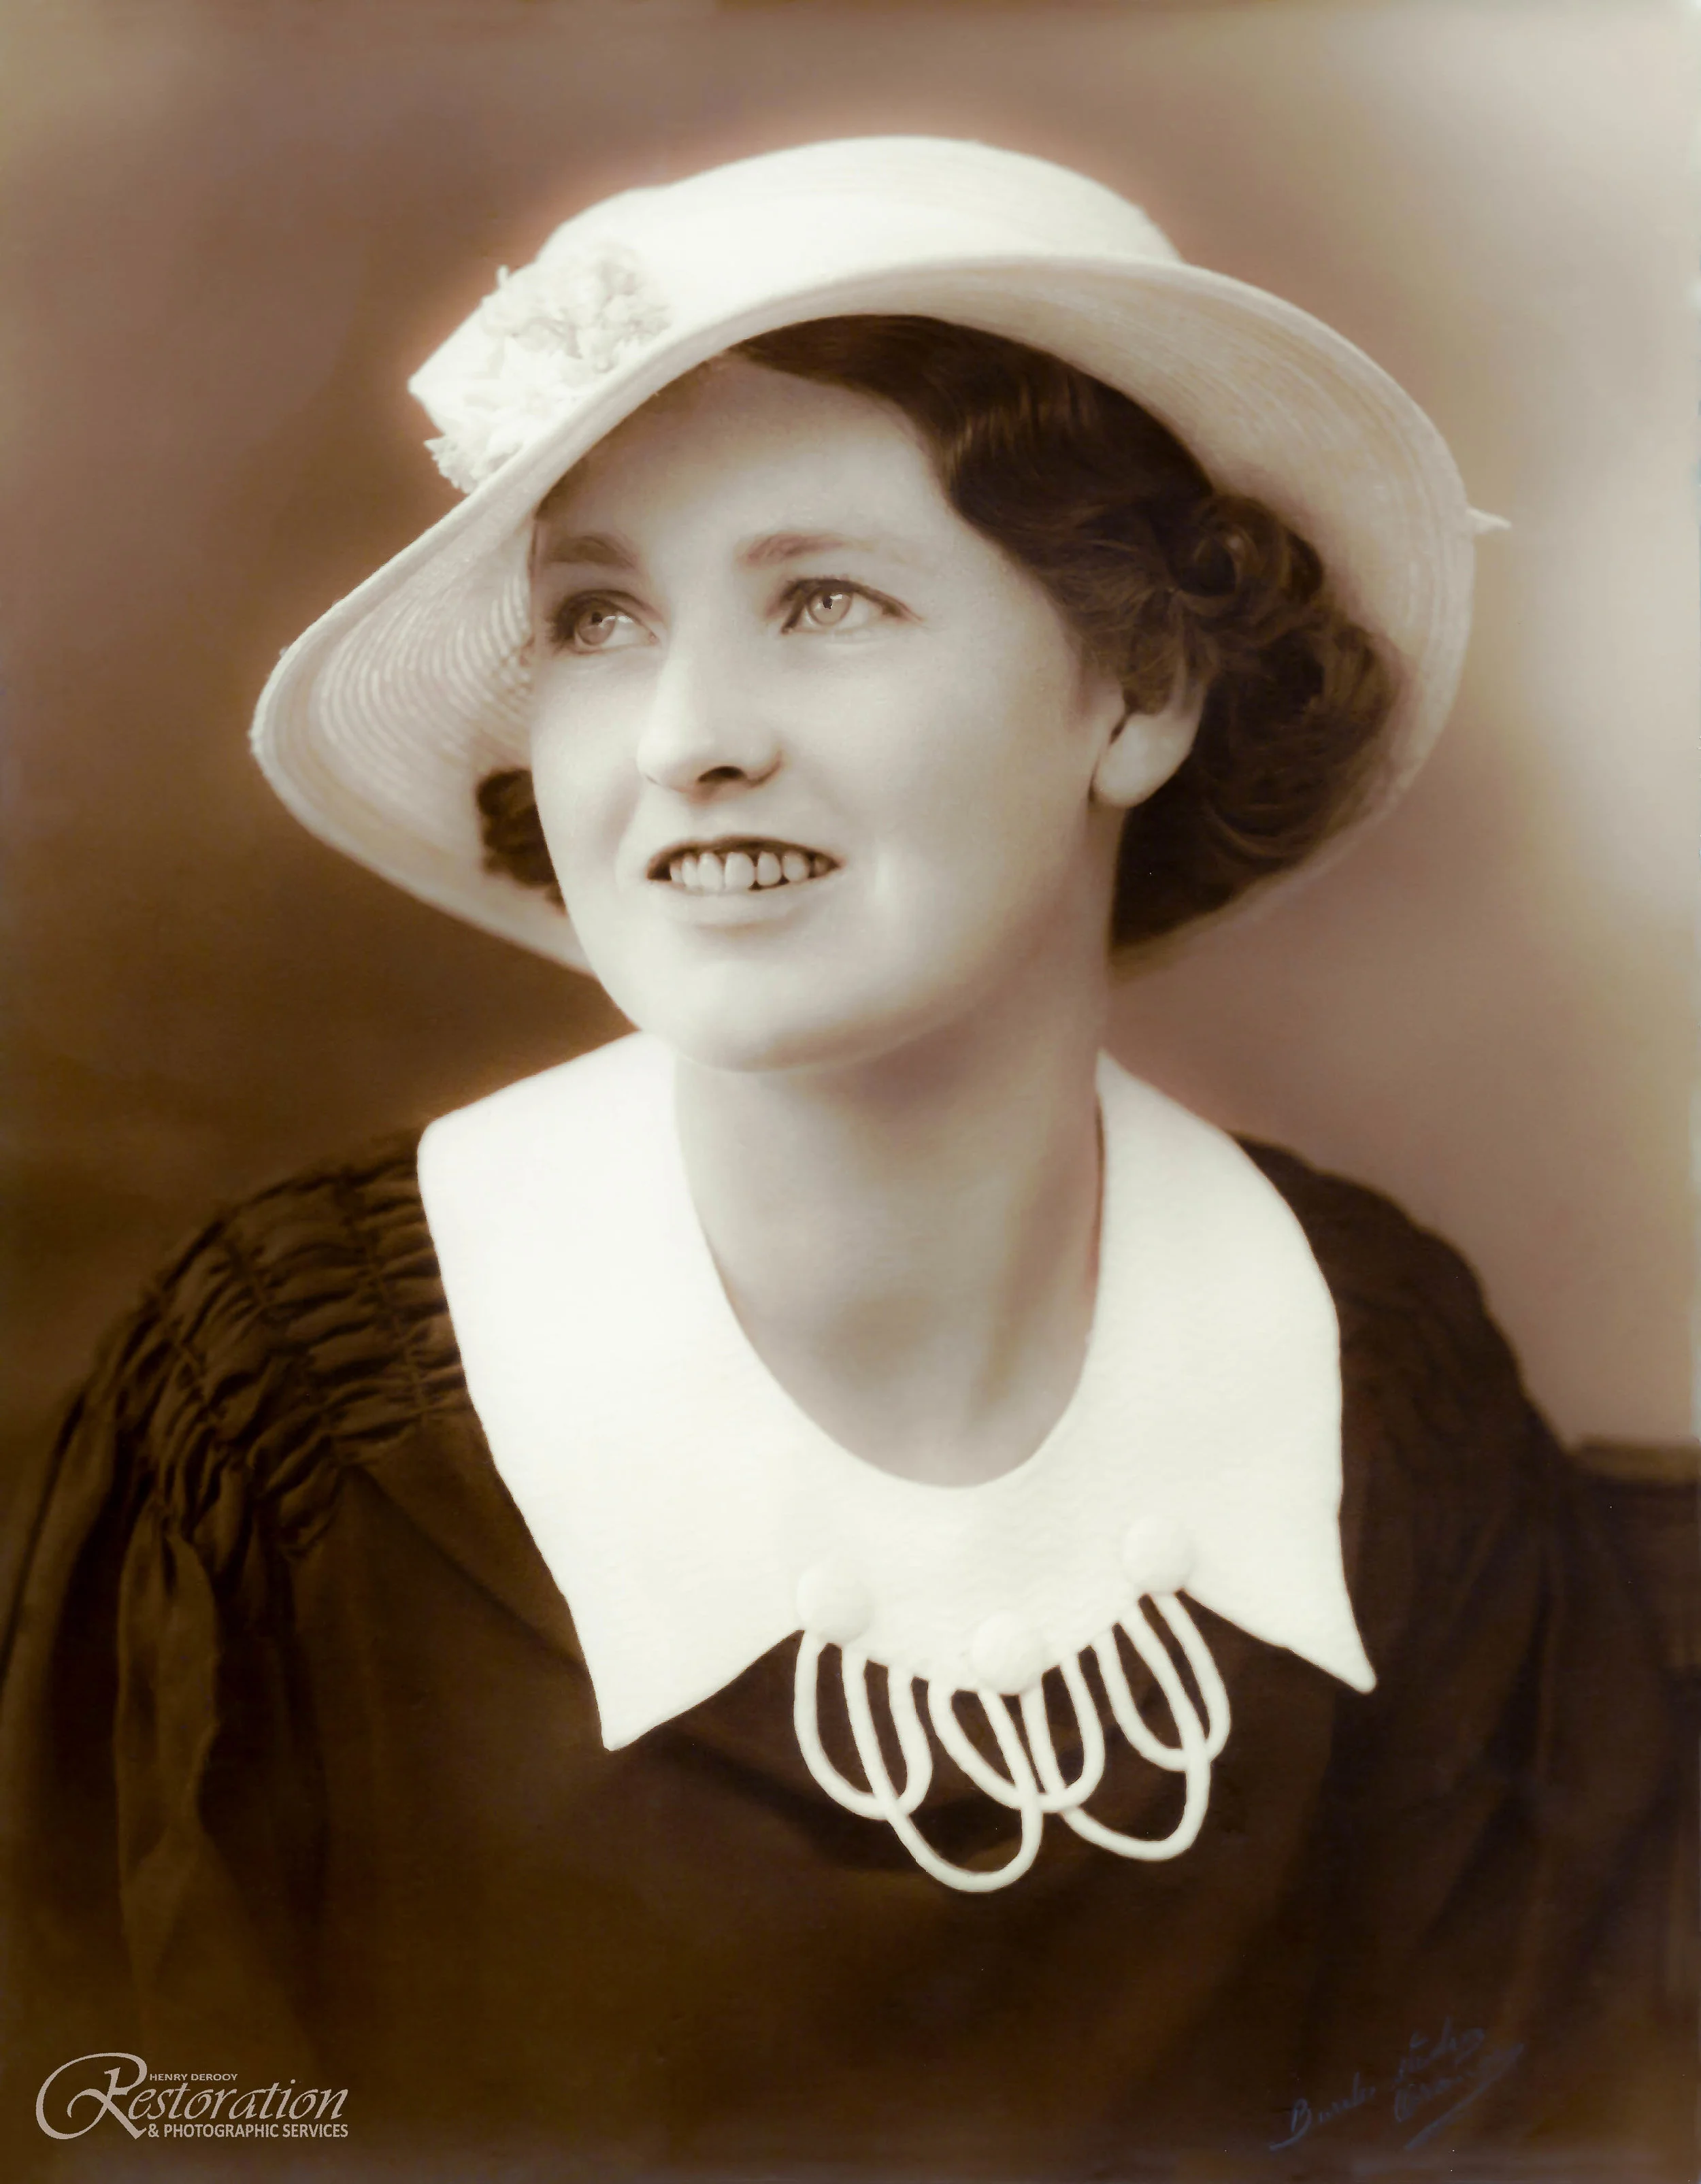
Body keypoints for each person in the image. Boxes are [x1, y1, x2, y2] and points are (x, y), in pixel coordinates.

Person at [0, 138, 1679, 2177]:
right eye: (598, 619)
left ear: (1141, 691)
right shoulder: (291, 1419)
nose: (687, 735)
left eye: (825, 600)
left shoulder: (1375, 1383)